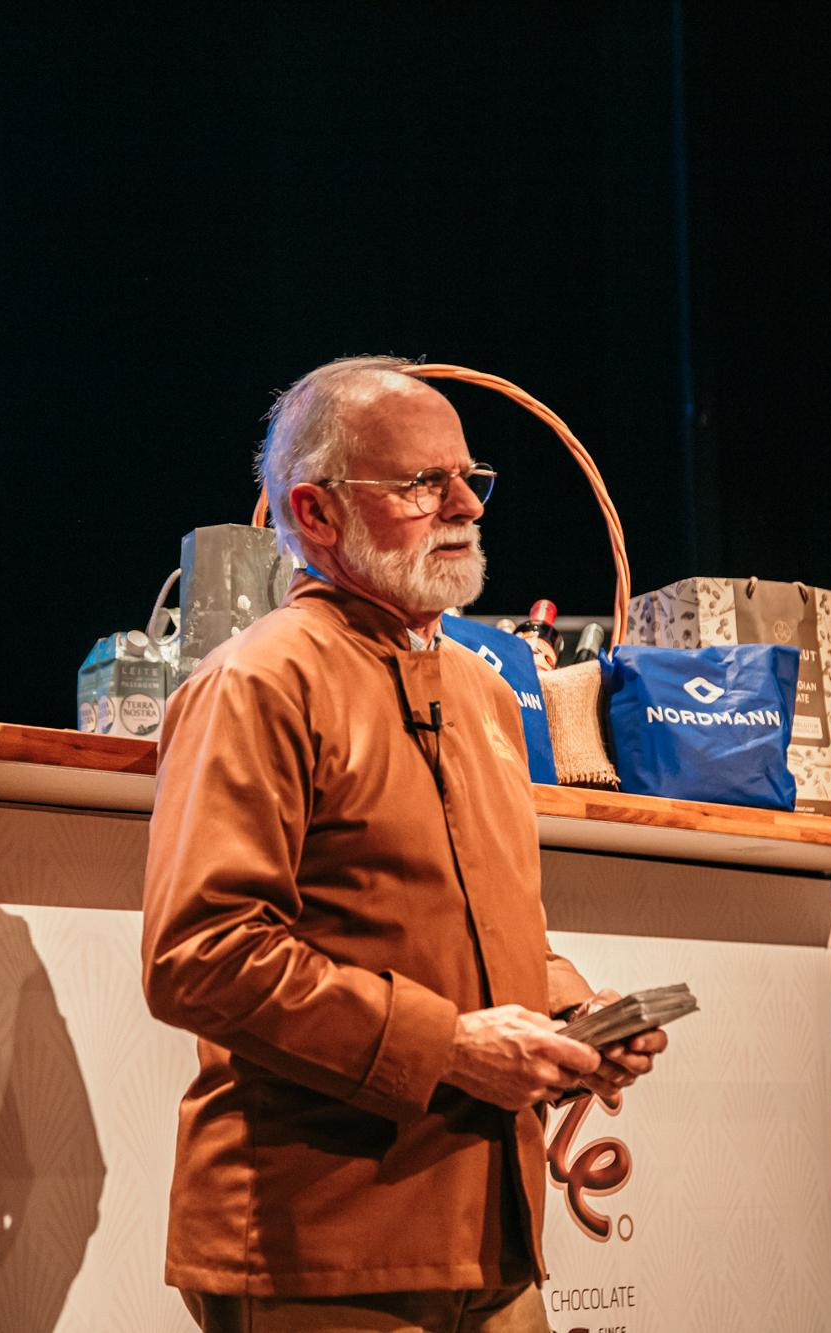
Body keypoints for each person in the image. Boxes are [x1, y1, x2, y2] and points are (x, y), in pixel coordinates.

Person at [141, 356, 668, 1333]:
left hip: (492, 1235)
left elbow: (469, 929)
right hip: (323, 1245)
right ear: (315, 512)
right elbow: (200, 956)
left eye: (471, 478)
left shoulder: (478, 691)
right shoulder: (256, 683)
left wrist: (572, 1012)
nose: (464, 502)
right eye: (423, 483)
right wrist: (451, 1046)